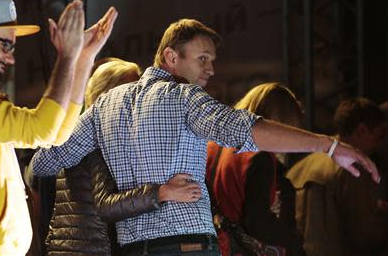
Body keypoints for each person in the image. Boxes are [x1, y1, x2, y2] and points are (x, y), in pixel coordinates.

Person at [31, 19, 379, 256]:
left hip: (133, 249)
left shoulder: (105, 105)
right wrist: (327, 145)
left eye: (212, 59)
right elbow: (245, 129)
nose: (210, 69)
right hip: (188, 246)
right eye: (202, 59)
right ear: (171, 57)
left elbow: (44, 162)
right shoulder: (184, 98)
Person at [0, 0, 117, 255]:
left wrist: (82, 59)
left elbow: (55, 135)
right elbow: (40, 128)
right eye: (5, 46)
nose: (10, 58)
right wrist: (67, 57)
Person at [45, 57, 202, 256]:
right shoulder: (97, 140)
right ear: (105, 95)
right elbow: (107, 205)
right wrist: (163, 192)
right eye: (130, 88)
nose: (137, 96)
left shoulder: (84, 134)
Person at [206, 82, 306, 256]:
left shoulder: (213, 145)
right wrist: (294, 241)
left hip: (211, 244)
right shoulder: (259, 155)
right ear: (281, 124)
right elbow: (258, 223)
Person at [287, 97, 388, 256]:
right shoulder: (353, 169)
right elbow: (364, 235)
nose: (380, 144)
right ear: (361, 130)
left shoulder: (299, 167)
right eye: (380, 135)